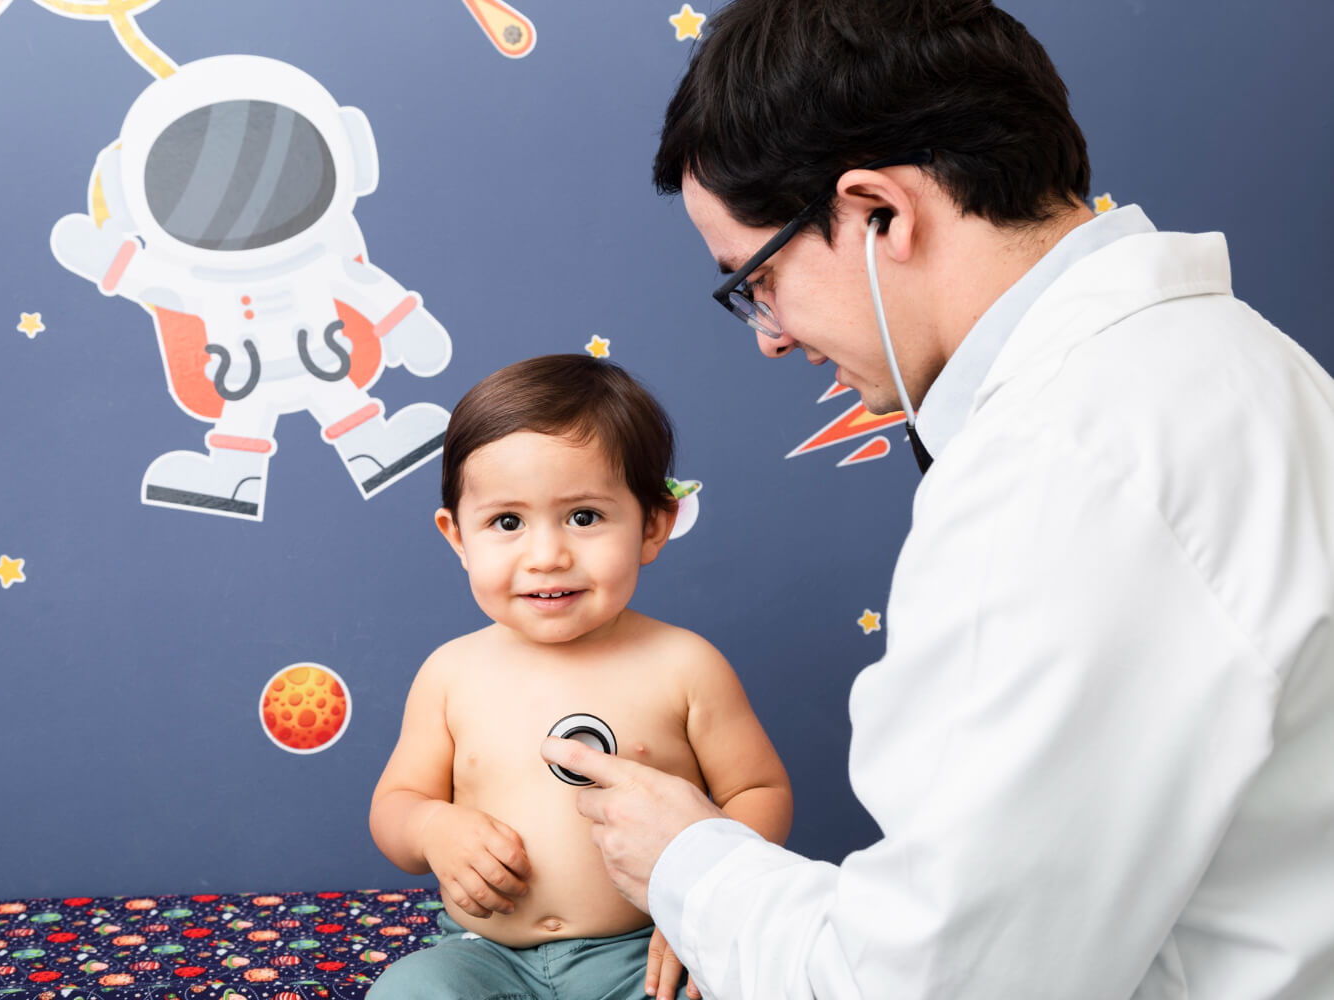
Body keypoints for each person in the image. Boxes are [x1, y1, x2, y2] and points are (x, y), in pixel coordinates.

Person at [540, 0, 1334, 997]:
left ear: (881, 212)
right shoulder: (1242, 366)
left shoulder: (1061, 470)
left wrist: (687, 860)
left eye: (759, 278)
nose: (770, 335)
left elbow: (932, 983)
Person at [368, 354, 794, 1000]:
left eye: (584, 517)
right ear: (457, 537)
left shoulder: (684, 665)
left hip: (644, 951)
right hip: (488, 957)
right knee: (411, 990)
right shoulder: (451, 673)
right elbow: (395, 805)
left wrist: (704, 905)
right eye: (507, 523)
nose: (547, 557)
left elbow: (760, 791)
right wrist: (432, 829)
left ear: (654, 525)